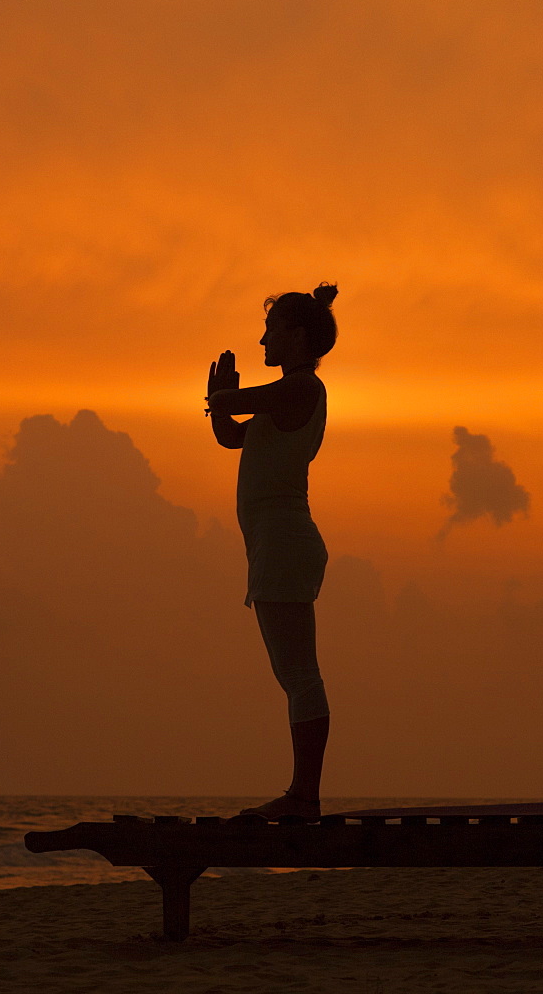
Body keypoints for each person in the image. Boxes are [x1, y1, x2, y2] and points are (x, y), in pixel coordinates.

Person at [206, 282, 339, 822]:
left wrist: (221, 393)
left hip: (285, 543)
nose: (262, 338)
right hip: (274, 546)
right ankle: (300, 795)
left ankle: (303, 797)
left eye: (271, 329)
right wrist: (219, 401)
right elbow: (229, 434)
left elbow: (238, 402)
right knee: (294, 675)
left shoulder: (303, 388)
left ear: (296, 335)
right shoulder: (286, 396)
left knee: (300, 675)